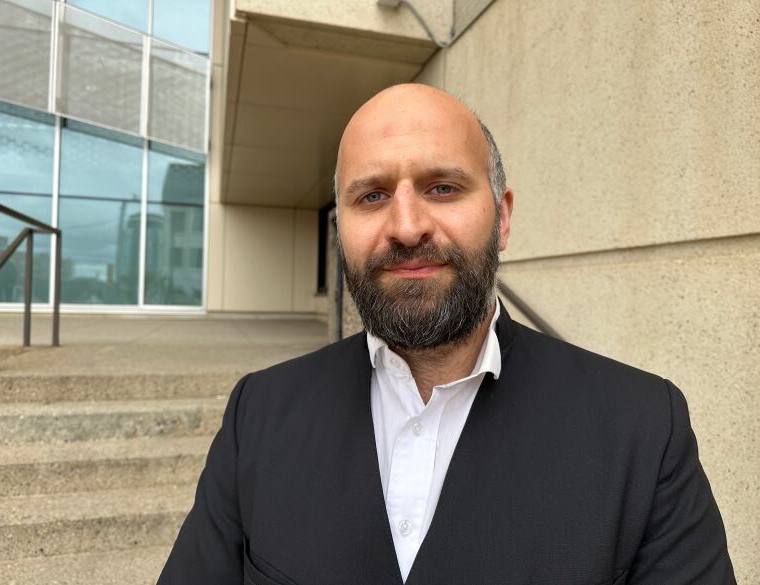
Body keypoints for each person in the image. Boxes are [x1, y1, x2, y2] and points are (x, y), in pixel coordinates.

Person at [158, 84, 735, 584]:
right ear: (342, 228)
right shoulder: (258, 413)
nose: (407, 228)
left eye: (442, 188)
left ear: (502, 217)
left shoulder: (642, 427)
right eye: (372, 195)